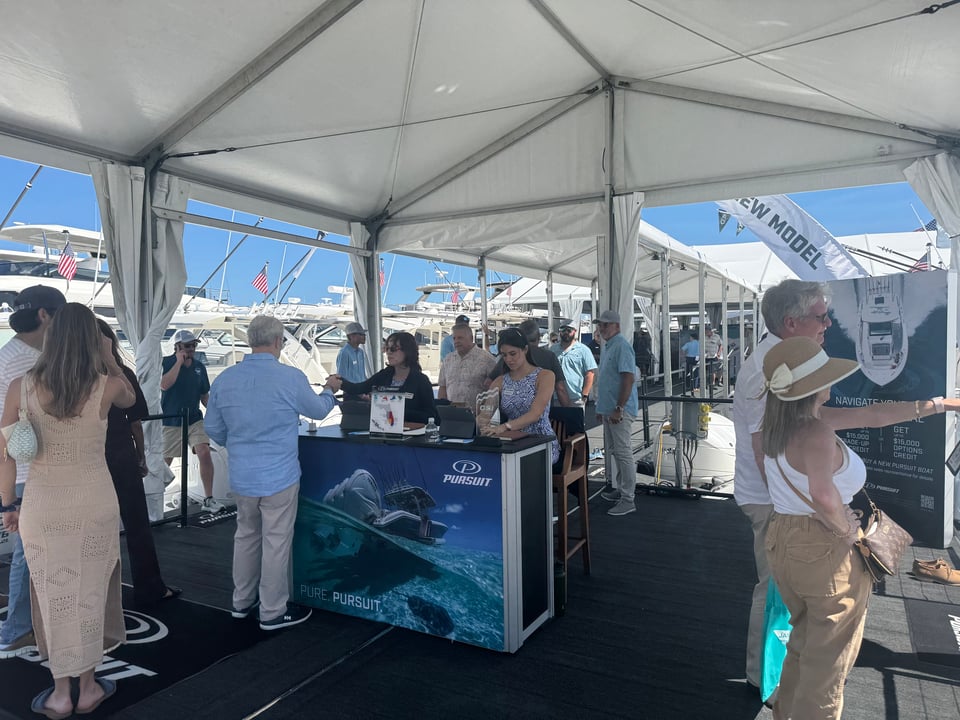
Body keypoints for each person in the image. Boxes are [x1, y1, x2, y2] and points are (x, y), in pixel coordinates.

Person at [759, 336, 960, 719]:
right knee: (828, 666)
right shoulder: (816, 430)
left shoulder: (781, 421)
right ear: (815, 386)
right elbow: (822, 493)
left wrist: (936, 406)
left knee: (803, 643)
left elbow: (875, 414)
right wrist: (847, 530)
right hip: (823, 550)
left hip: (785, 541)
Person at [1, 303, 136, 718]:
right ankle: (89, 686)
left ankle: (61, 693)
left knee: (52, 593)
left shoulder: (20, 386)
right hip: (94, 499)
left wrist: (7, 505)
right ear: (89, 340)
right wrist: (109, 354)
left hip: (42, 501)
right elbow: (131, 396)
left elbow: (5, 453)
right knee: (91, 592)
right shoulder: (106, 386)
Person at [205, 316, 342, 631]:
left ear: (251, 341)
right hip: (279, 475)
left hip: (242, 475)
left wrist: (238, 443)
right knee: (276, 542)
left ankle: (241, 603)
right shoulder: (290, 378)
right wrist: (329, 390)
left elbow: (213, 428)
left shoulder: (225, 379)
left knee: (246, 537)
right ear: (279, 342)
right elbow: (320, 411)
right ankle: (272, 611)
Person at [733, 279, 833, 693]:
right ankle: (767, 679)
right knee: (775, 589)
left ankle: (778, 672)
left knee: (784, 589)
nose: (827, 323)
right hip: (773, 500)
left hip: (782, 497)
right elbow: (763, 449)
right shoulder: (767, 367)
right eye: (821, 316)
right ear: (792, 322)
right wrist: (793, 506)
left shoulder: (786, 357)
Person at [0, 286, 65, 660]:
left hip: (22, 468)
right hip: (30, 468)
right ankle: (18, 629)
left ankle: (25, 625)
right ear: (45, 315)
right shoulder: (27, 361)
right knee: (30, 555)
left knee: (32, 553)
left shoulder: (13, 352)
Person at [98, 319, 181, 608]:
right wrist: (141, 456)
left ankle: (101, 593)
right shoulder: (121, 376)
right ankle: (150, 587)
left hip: (89, 458)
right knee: (136, 524)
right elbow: (135, 422)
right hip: (120, 455)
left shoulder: (74, 377)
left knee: (97, 527)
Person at [160, 329, 223, 513]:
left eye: (194, 345)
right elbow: (164, 385)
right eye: (188, 346)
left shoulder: (199, 367)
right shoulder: (166, 363)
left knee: (204, 452)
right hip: (171, 420)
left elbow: (204, 394)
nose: (192, 349)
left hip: (194, 418)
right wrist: (179, 362)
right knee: (166, 461)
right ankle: (154, 498)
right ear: (178, 347)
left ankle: (209, 498)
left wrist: (215, 411)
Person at [481, 328, 558, 463]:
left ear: (525, 350)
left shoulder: (545, 376)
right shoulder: (499, 381)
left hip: (541, 441)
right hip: (511, 442)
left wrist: (505, 427)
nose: (508, 359)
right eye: (504, 355)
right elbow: (486, 414)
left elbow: (536, 414)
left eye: (513, 354)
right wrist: (477, 422)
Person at [594, 310, 639, 517]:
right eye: (600, 325)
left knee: (622, 452)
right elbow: (609, 380)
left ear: (617, 326)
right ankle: (622, 490)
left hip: (618, 410)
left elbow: (628, 378)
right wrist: (602, 408)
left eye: (606, 325)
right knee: (616, 451)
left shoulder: (621, 345)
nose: (602, 329)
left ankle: (628, 498)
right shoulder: (610, 346)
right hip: (611, 410)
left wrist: (619, 408)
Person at [340, 331, 436, 424]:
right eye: (387, 348)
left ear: (407, 350)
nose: (389, 352)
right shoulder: (384, 375)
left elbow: (433, 417)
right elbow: (358, 388)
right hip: (383, 434)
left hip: (413, 436)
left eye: (393, 349)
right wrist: (340, 382)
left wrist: (400, 412)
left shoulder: (421, 381)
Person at [489, 318, 572, 407]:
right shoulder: (549, 356)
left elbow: (489, 383)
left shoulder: (508, 356)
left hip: (512, 414)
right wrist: (568, 413)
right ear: (538, 337)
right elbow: (560, 388)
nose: (509, 359)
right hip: (543, 412)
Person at [437, 322, 496, 407]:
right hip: (451, 414)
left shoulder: (487, 359)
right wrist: (441, 410)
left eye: (460, 338)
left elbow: (495, 391)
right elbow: (443, 387)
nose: (456, 341)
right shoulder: (448, 360)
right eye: (454, 338)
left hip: (477, 415)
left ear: (471, 338)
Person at [549, 324, 596, 406]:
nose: (566, 332)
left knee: (575, 419)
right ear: (559, 332)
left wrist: (585, 395)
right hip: (556, 397)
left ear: (575, 331)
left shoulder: (584, 350)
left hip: (576, 397)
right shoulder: (553, 349)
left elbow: (590, 374)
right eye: (563, 329)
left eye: (569, 330)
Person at [336, 322, 369, 399]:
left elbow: (362, 375)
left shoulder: (361, 352)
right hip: (351, 395)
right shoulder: (344, 353)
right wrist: (360, 395)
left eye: (364, 334)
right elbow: (342, 378)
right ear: (351, 336)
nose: (364, 336)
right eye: (361, 334)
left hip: (363, 393)